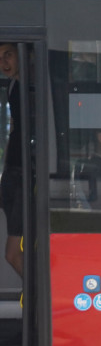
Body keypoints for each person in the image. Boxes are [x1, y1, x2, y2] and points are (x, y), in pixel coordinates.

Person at [0, 43, 23, 276]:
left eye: (8, 55)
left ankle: (41, 303)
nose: (4, 63)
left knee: (12, 253)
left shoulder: (34, 86)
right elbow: (14, 130)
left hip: (25, 175)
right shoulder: (13, 86)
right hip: (14, 172)